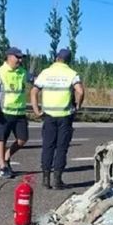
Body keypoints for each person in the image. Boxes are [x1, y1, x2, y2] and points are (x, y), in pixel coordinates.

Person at [30, 48, 85, 190]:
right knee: (61, 148)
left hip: (48, 116)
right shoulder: (71, 73)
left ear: (56, 58)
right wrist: (77, 105)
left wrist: (36, 110)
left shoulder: (46, 72)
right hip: (65, 116)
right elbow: (80, 91)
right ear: (68, 60)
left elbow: (34, 91)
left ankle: (45, 178)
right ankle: (57, 180)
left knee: (47, 146)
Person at [0, 47, 30, 179]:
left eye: (21, 57)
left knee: (22, 139)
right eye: (17, 57)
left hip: (19, 112)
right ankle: (3, 167)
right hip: (4, 111)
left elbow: (36, 80)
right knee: (1, 139)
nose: (20, 59)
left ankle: (6, 156)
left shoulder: (22, 72)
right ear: (9, 57)